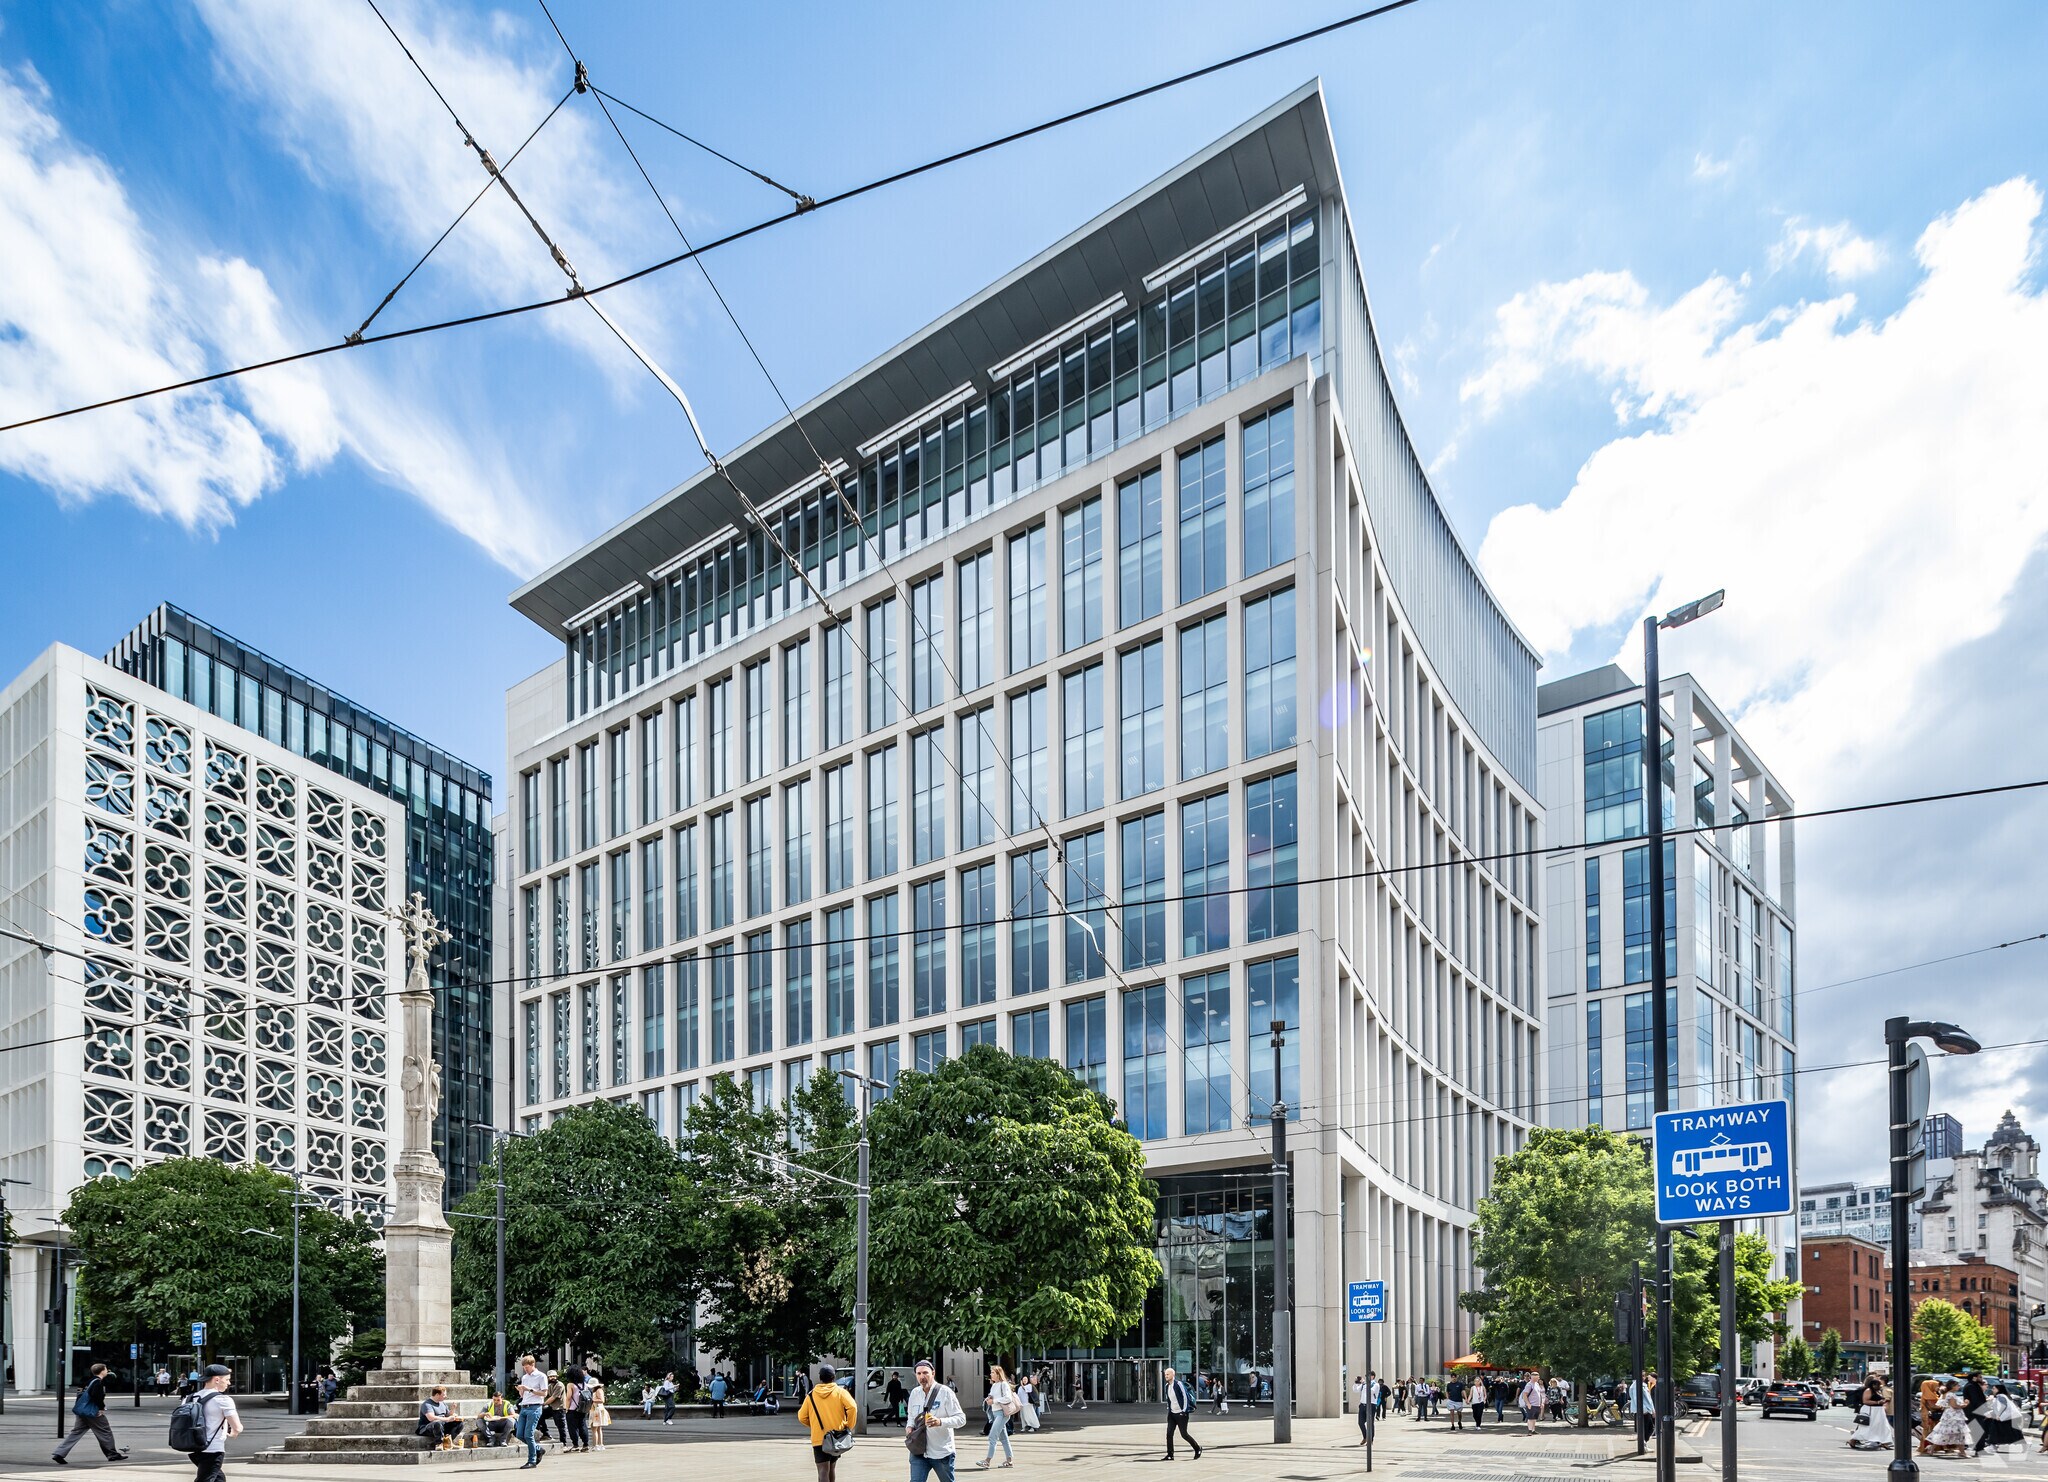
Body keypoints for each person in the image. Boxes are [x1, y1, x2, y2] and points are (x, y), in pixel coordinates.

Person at [54, 1361, 128, 1464]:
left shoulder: (87, 1381)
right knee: (105, 1431)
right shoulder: (98, 1382)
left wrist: (81, 1409)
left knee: (76, 1432)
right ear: (102, 1371)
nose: (107, 1371)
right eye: (106, 1369)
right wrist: (101, 1408)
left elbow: (80, 1395)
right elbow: (96, 1396)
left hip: (82, 1411)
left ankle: (59, 1453)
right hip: (93, 1412)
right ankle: (112, 1454)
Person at [905, 1359, 966, 1482]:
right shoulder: (915, 1393)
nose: (922, 1376)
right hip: (918, 1451)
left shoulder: (945, 1392)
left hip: (941, 1452)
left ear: (933, 1373)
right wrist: (909, 1427)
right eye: (919, 1374)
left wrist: (940, 1422)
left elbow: (961, 1419)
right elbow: (911, 1417)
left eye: (925, 1373)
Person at [797, 1364, 858, 1482]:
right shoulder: (841, 1392)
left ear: (820, 1378)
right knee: (832, 1468)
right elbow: (853, 1407)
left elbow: (801, 1416)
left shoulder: (811, 1395)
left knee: (822, 1470)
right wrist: (848, 1425)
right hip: (836, 1437)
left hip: (819, 1438)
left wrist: (814, 1425)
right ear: (834, 1377)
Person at [189, 1364, 243, 1482]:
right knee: (207, 1479)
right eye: (227, 1379)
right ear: (217, 1380)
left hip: (193, 1447)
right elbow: (237, 1427)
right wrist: (234, 1432)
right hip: (212, 1449)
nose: (229, 1383)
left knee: (218, 1478)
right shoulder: (223, 1400)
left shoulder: (190, 1398)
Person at [976, 1364, 1017, 1469]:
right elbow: (994, 1397)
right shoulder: (994, 1385)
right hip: (995, 1413)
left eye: (993, 1372)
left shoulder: (1004, 1384)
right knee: (1004, 1439)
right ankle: (1009, 1461)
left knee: (992, 1436)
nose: (991, 1374)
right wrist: (989, 1399)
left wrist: (994, 1400)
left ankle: (987, 1461)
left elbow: (1008, 1398)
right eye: (991, 1372)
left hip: (1002, 1414)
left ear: (998, 1374)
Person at [1160, 1366, 1201, 1462]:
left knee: (1184, 1434)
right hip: (1172, 1414)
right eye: (1165, 1374)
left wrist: (1184, 1411)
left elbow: (1185, 1397)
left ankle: (1197, 1448)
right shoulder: (1167, 1386)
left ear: (1173, 1375)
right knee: (1169, 1434)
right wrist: (1169, 1409)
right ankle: (1170, 1455)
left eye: (1168, 1374)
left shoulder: (1179, 1384)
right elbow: (1169, 1399)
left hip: (1181, 1414)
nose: (1166, 1376)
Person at [513, 1355, 547, 1469]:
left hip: (535, 1407)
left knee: (528, 1434)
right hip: (524, 1406)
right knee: (519, 1434)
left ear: (533, 1365)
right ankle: (538, 1449)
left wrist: (529, 1389)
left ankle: (532, 1460)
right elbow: (523, 1394)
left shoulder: (541, 1376)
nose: (525, 1369)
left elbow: (544, 1393)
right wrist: (521, 1391)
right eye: (523, 1367)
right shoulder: (525, 1377)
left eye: (526, 1367)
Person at [1926, 1379, 1972, 1457]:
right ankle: (1962, 1452)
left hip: (1948, 1415)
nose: (1959, 1387)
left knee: (1943, 1432)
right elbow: (1954, 1406)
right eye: (1957, 1385)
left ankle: (1932, 1449)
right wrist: (1965, 1404)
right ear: (1952, 1386)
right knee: (1960, 1433)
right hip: (1954, 1416)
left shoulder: (1946, 1394)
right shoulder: (1951, 1395)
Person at [540, 1371, 568, 1450]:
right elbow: (545, 1395)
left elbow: (553, 1398)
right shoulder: (550, 1386)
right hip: (552, 1407)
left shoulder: (559, 1385)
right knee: (540, 1415)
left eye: (554, 1376)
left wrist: (543, 1404)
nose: (553, 1378)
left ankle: (564, 1444)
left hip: (559, 1408)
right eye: (551, 1377)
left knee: (560, 1426)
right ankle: (546, 1434)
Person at [587, 1373, 611, 1451]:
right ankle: (600, 1444)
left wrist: (592, 1400)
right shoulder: (598, 1390)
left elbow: (602, 1400)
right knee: (598, 1429)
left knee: (594, 1429)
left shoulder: (598, 1390)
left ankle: (596, 1445)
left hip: (597, 1410)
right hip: (598, 1409)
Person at [1354, 1373, 1374, 1446]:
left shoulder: (1374, 1384)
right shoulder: (1363, 1385)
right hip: (1362, 1405)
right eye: (1365, 1377)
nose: (1366, 1378)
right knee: (1360, 1422)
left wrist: (1365, 1383)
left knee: (1370, 1423)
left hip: (1370, 1405)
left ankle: (1370, 1439)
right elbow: (1355, 1390)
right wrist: (1357, 1382)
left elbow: (1372, 1391)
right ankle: (1365, 1437)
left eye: (1368, 1376)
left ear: (1372, 1377)